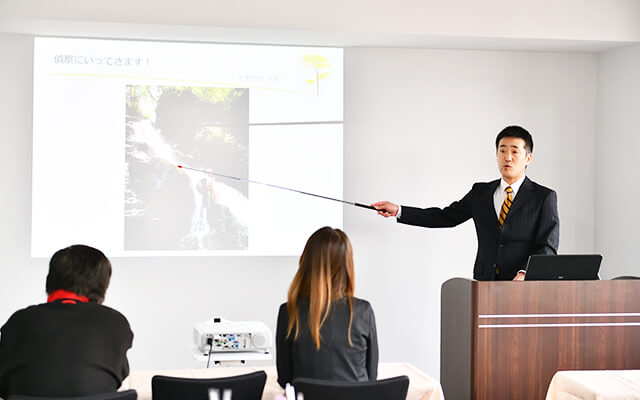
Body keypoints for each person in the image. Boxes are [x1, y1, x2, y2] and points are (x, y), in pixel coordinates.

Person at [372, 125, 559, 281]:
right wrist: (399, 210)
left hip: (524, 286)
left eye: (514, 151)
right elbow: (444, 217)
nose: (507, 157)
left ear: (528, 158)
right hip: (484, 283)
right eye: (502, 150)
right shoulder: (481, 193)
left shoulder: (543, 197)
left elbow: (547, 246)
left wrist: (523, 273)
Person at [0, 245, 133, 398]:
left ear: (50, 279)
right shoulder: (115, 323)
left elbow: (4, 383)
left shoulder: (19, 322)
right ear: (102, 285)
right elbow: (116, 377)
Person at [276, 227, 378, 388]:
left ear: (306, 262)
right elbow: (371, 377)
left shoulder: (289, 311)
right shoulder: (362, 311)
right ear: (347, 264)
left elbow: (285, 380)